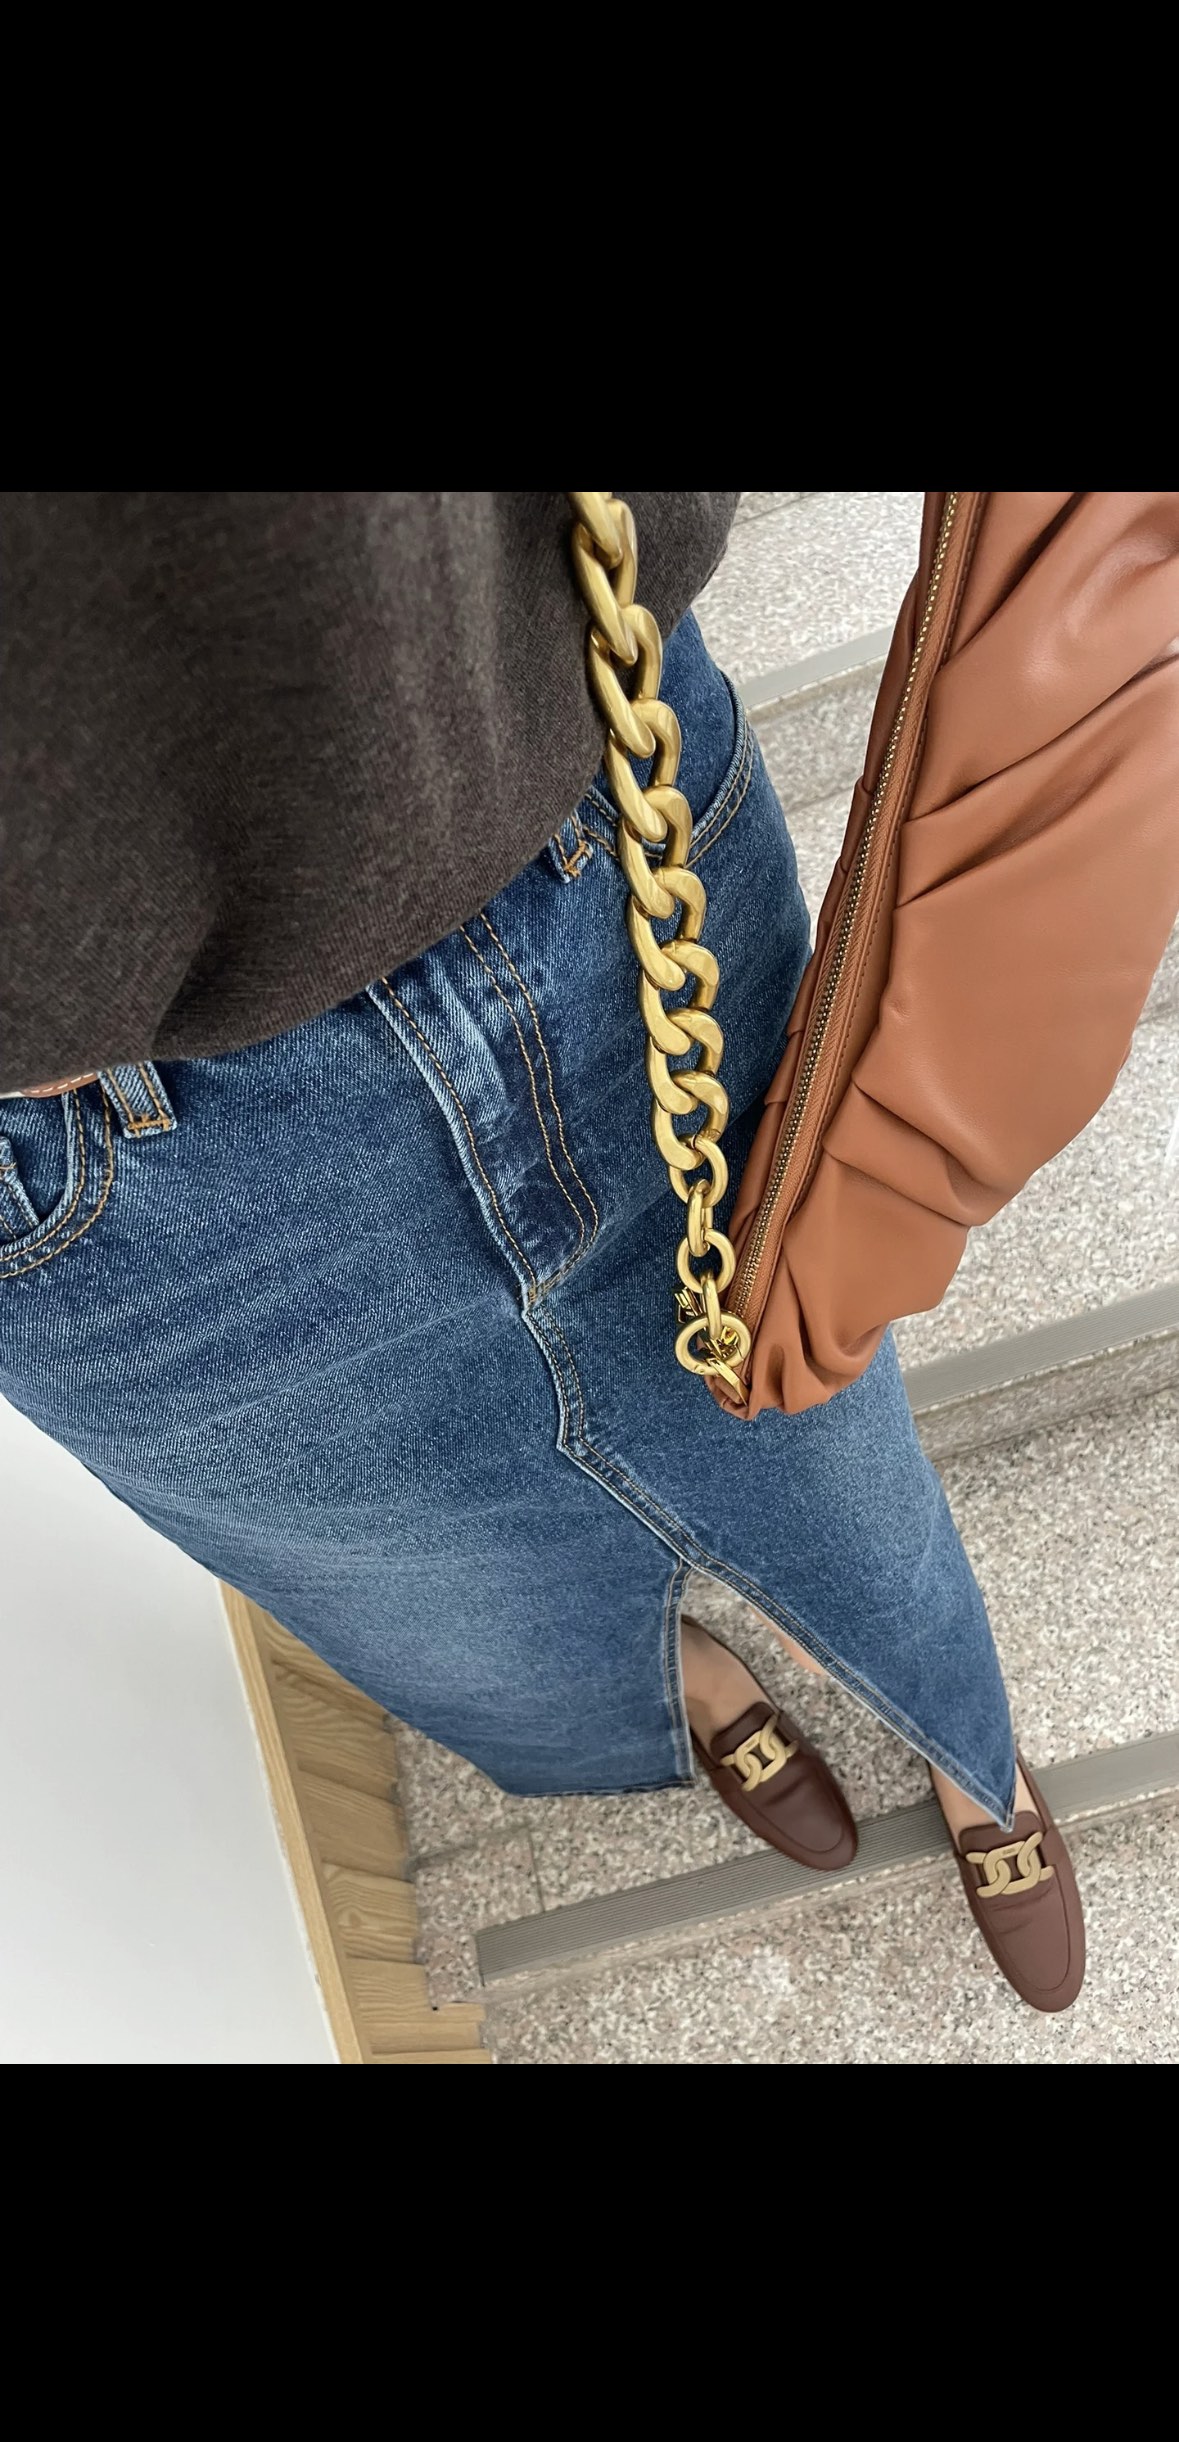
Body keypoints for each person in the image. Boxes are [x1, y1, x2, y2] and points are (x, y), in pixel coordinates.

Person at [0, 492, 1089, 2016]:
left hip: (585, 835)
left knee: (825, 1453)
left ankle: (967, 1743)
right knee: (442, 1598)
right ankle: (676, 1685)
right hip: (94, 1189)